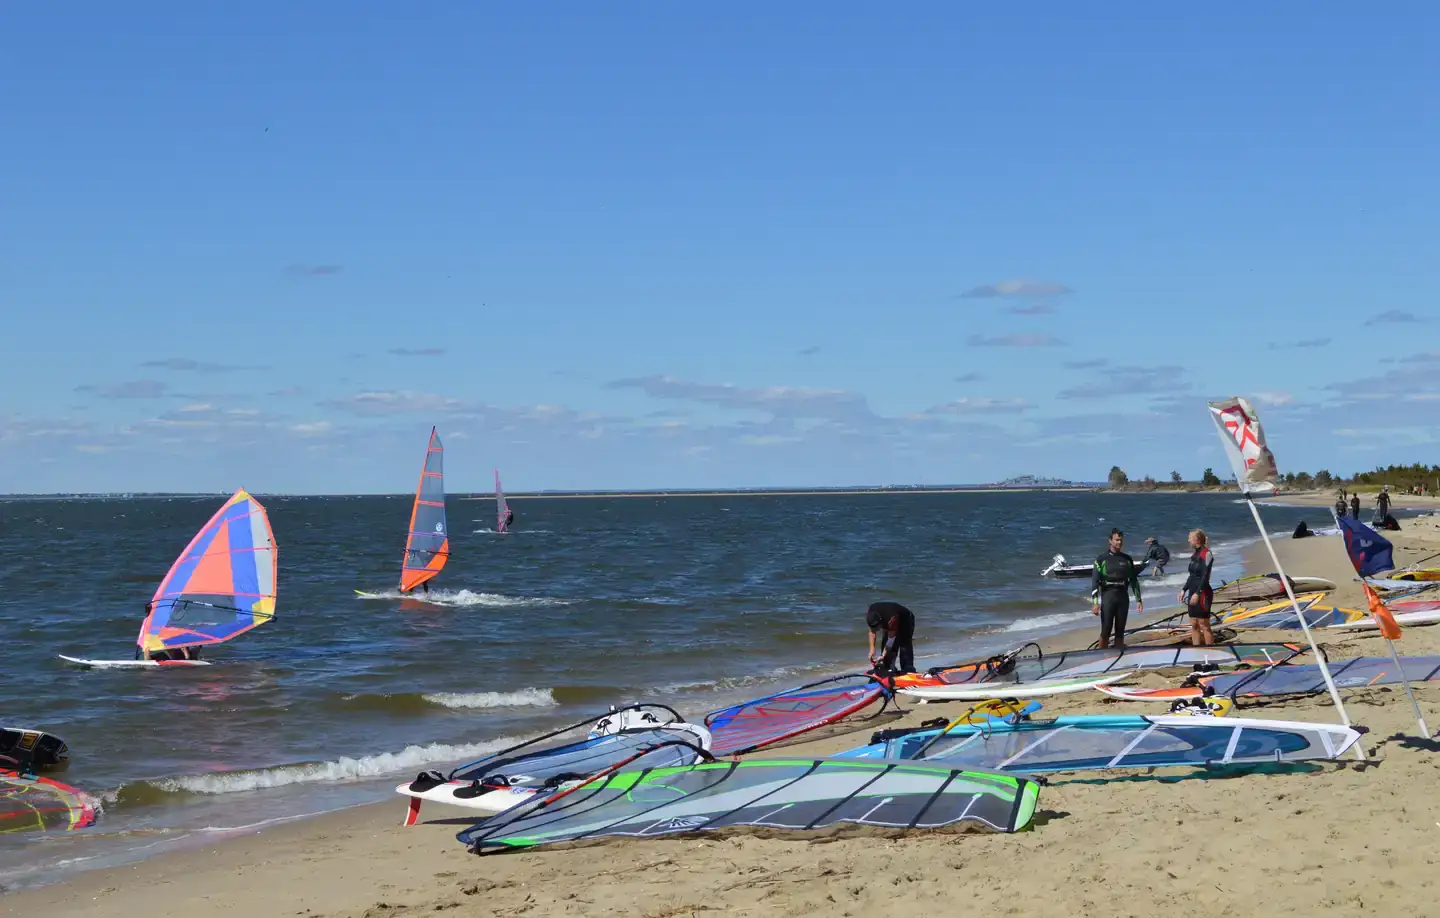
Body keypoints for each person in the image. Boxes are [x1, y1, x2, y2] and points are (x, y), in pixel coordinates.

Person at [1091, 529, 1143, 649]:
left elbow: (1134, 580)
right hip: (1109, 596)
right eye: (1117, 540)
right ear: (1110, 541)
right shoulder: (1101, 559)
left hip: (1123, 596)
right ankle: (1101, 656)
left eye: (1121, 540)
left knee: (1120, 629)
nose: (1119, 542)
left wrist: (1139, 600)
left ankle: (1118, 655)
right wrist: (1095, 603)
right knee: (1106, 629)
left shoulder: (1127, 559)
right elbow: (1095, 582)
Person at [1178, 529, 1215, 646]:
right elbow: (1192, 576)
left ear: (1197, 540)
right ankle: (1197, 650)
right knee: (1194, 624)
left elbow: (1205, 576)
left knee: (1204, 625)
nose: (1188, 540)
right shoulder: (1194, 555)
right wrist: (1184, 590)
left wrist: (1197, 593)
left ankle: (1210, 651)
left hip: (1203, 592)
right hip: (1192, 591)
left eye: (1190, 538)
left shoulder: (1207, 554)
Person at [865, 601, 915, 676]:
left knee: (904, 644)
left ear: (881, 621)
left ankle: (907, 669)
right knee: (885, 642)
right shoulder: (870, 614)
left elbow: (891, 639)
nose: (877, 629)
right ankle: (889, 668)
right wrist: (872, 650)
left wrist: (883, 654)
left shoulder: (891, 619)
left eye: (878, 627)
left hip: (905, 619)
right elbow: (872, 632)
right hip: (887, 619)